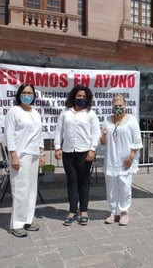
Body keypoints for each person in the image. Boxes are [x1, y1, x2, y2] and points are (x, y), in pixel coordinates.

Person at [54, 85, 101, 226]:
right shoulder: (65, 113)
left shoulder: (90, 114)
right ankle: (72, 210)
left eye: (84, 96)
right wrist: (57, 147)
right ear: (74, 96)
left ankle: (84, 210)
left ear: (88, 99)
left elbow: (96, 133)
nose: (81, 98)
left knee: (84, 181)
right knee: (71, 181)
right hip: (68, 152)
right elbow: (58, 131)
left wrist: (92, 149)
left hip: (84, 152)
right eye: (79, 96)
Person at [4, 83, 45, 238]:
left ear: (34, 95)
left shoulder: (36, 113)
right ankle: (17, 224)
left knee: (31, 189)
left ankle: (28, 220)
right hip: (20, 155)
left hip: (33, 155)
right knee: (20, 190)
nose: (27, 95)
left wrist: (41, 154)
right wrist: (13, 155)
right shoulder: (14, 112)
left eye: (30, 92)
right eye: (25, 92)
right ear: (19, 94)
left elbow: (39, 135)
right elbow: (9, 134)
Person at [100, 94, 143, 226]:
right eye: (115, 105)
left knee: (125, 186)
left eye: (120, 105)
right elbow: (102, 142)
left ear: (125, 106)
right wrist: (104, 135)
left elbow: (137, 140)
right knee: (111, 188)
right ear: (112, 106)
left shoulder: (131, 120)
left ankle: (124, 212)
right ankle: (114, 212)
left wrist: (131, 157)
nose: (118, 107)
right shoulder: (107, 120)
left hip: (125, 159)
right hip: (111, 159)